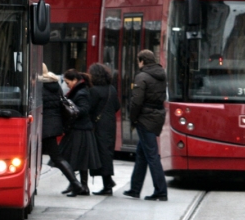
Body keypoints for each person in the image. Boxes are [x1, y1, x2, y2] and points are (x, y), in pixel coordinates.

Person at [123, 49, 168, 201]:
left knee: (152, 155)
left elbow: (136, 101)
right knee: (142, 154)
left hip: (145, 118)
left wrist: (133, 119)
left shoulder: (142, 76)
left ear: (142, 61)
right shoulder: (161, 74)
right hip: (157, 115)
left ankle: (161, 191)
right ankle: (135, 189)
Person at [41, 64, 85, 198]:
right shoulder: (55, 85)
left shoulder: (38, 86)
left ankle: (76, 184)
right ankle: (76, 184)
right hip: (54, 125)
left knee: (56, 158)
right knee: (56, 157)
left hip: (43, 127)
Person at [60, 69, 101, 196]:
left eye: (68, 82)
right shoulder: (79, 90)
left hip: (80, 129)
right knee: (81, 159)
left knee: (76, 158)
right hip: (81, 128)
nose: (67, 85)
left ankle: (77, 186)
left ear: (75, 80)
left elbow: (83, 109)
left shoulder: (81, 93)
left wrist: (71, 108)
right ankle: (82, 186)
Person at [88, 63, 121, 196]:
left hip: (98, 125)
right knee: (107, 153)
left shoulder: (94, 90)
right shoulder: (111, 89)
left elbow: (90, 108)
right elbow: (117, 106)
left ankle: (107, 185)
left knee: (101, 154)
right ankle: (108, 182)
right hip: (110, 124)